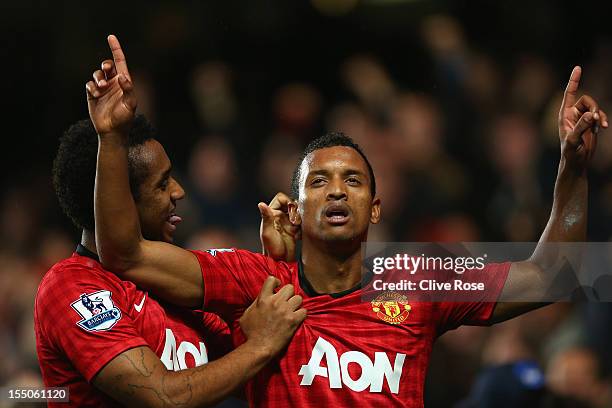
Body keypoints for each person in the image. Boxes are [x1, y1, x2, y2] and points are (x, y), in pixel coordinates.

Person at [88, 34, 607, 407]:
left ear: (375, 209)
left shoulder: (419, 280)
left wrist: (572, 169)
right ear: (295, 210)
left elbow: (553, 275)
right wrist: (112, 137)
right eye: (318, 181)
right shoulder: (258, 284)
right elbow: (124, 252)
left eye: (354, 181)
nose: (337, 189)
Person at [35, 114, 306, 407]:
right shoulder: (72, 285)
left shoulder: (173, 288)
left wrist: (278, 266)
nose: (179, 191)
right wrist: (260, 346)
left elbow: (260, 376)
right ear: (118, 198)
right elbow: (162, 397)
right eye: (162, 184)